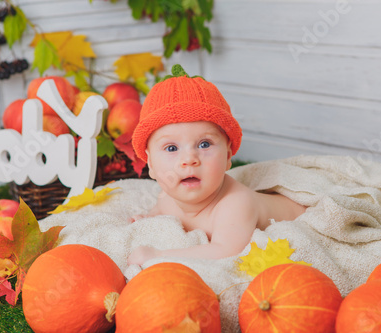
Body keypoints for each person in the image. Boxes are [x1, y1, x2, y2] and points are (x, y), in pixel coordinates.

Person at [127, 65, 307, 265]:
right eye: (171, 148)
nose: (189, 159)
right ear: (150, 163)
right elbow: (159, 211)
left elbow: (225, 251)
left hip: (300, 211)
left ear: (228, 156)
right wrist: (147, 217)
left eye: (204, 144)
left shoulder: (235, 204)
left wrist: (157, 256)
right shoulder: (166, 198)